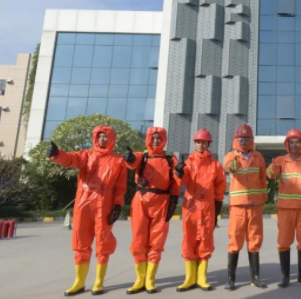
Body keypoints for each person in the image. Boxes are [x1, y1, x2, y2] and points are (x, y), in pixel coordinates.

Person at [47, 126, 127, 296]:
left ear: (111, 138)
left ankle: (99, 281)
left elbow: (120, 187)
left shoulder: (118, 160)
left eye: (106, 136)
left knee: (103, 242)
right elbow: (70, 159)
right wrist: (57, 154)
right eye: (100, 136)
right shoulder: (85, 155)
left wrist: (118, 205)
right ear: (95, 138)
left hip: (104, 203)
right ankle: (79, 282)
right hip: (84, 201)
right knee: (80, 242)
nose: (102, 139)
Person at [123, 127, 180, 294]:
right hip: (141, 200)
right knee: (138, 240)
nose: (155, 141)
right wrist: (129, 157)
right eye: (153, 138)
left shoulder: (170, 159)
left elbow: (176, 181)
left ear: (163, 140)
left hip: (161, 201)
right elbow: (132, 163)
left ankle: (149, 280)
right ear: (148, 139)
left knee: (157, 241)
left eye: (158, 138)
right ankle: (139, 279)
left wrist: (173, 201)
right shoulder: (142, 156)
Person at [173, 129, 227, 292]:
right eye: (198, 142)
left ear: (208, 144)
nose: (201, 144)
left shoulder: (215, 165)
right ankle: (190, 278)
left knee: (205, 240)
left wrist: (218, 205)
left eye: (204, 142)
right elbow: (182, 180)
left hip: (207, 208)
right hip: (190, 207)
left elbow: (220, 186)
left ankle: (202, 277)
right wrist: (178, 172)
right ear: (194, 143)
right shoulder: (188, 162)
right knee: (189, 240)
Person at [267, 128, 301, 288]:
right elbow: (270, 175)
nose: (295, 145)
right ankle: (285, 277)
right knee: (284, 242)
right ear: (287, 144)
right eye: (292, 142)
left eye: (297, 142)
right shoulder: (280, 161)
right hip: (285, 209)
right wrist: (272, 167)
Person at [223, 124, 268, 290]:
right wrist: (232, 167)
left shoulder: (258, 157)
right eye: (241, 138)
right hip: (238, 206)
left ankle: (255, 278)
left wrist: (263, 197)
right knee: (235, 240)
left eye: (246, 138)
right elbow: (228, 167)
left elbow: (263, 179)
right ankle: (231, 279)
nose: (243, 141)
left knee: (255, 241)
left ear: (251, 140)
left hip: (255, 204)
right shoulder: (231, 156)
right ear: (236, 139)